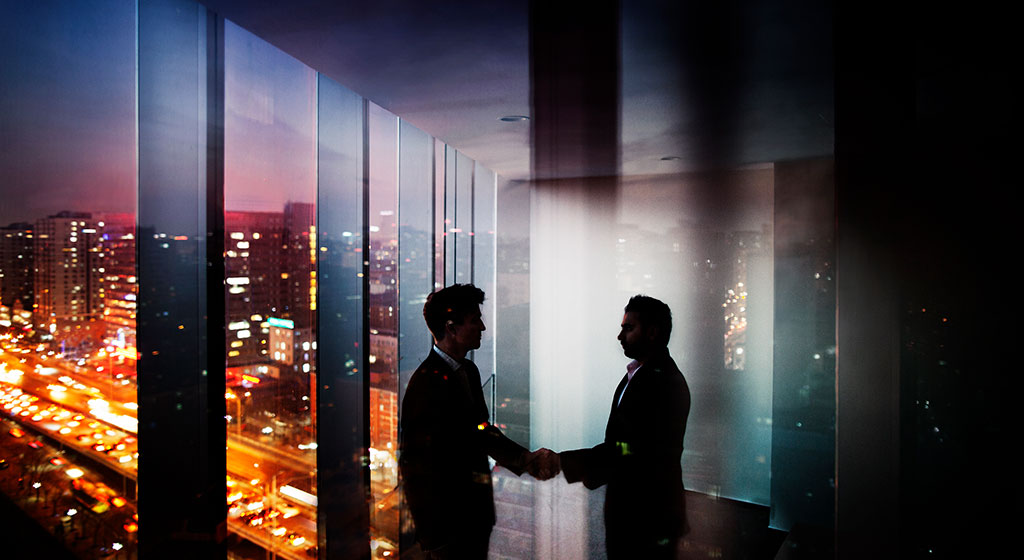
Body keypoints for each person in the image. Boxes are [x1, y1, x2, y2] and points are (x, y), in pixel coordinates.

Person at [399, 283, 558, 559]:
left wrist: (525, 459)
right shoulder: (424, 384)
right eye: (475, 320)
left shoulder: (468, 371)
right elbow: (414, 465)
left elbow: (481, 430)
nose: (483, 328)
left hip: (473, 518)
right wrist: (433, 538)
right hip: (447, 531)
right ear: (451, 328)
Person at [559, 295, 691, 559]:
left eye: (628, 328)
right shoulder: (638, 375)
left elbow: (632, 449)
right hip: (636, 516)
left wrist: (564, 462)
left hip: (647, 519)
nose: (620, 336)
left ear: (652, 332)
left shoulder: (663, 383)